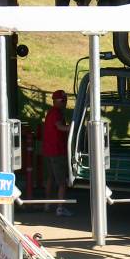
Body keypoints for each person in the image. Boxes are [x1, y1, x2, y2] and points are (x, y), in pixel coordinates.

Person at [41, 89, 73, 217]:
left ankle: (47, 204)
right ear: (56, 101)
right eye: (62, 100)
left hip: (48, 151)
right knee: (61, 182)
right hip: (57, 152)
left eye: (65, 100)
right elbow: (60, 127)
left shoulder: (50, 113)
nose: (65, 103)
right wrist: (73, 127)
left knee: (50, 178)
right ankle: (60, 208)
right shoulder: (56, 114)